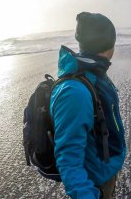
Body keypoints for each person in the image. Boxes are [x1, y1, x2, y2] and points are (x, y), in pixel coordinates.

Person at [49, 12, 126, 199]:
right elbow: (68, 161)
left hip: (104, 172)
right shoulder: (76, 92)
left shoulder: (94, 74)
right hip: (94, 185)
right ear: (110, 44)